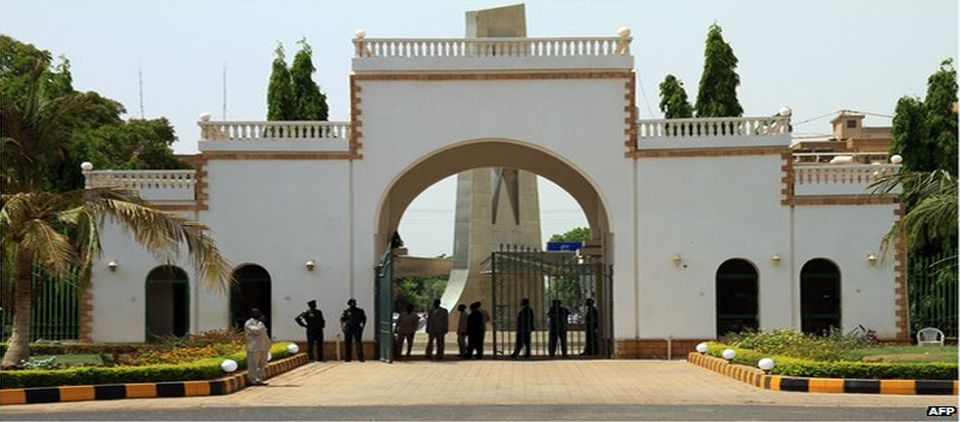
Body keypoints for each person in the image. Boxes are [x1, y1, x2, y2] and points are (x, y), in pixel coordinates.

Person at [244, 308, 272, 386]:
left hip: (263, 346)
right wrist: (261, 322)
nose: (258, 314)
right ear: (252, 314)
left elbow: (264, 334)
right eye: (256, 313)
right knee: (253, 365)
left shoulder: (260, 323)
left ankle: (260, 379)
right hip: (254, 347)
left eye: (259, 312)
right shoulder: (249, 323)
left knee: (262, 365)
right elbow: (256, 331)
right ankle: (253, 380)